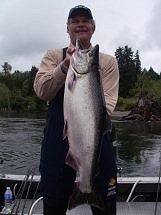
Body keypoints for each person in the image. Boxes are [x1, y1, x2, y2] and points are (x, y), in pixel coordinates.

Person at [33, 5, 119, 215]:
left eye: (85, 20)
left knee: (106, 208)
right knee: (53, 204)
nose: (80, 24)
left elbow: (108, 103)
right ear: (68, 27)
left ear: (93, 27)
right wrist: (64, 67)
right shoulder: (53, 55)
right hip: (57, 139)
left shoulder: (107, 62)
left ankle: (87, 190)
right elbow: (42, 91)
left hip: (96, 137)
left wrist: (85, 119)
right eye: (75, 21)